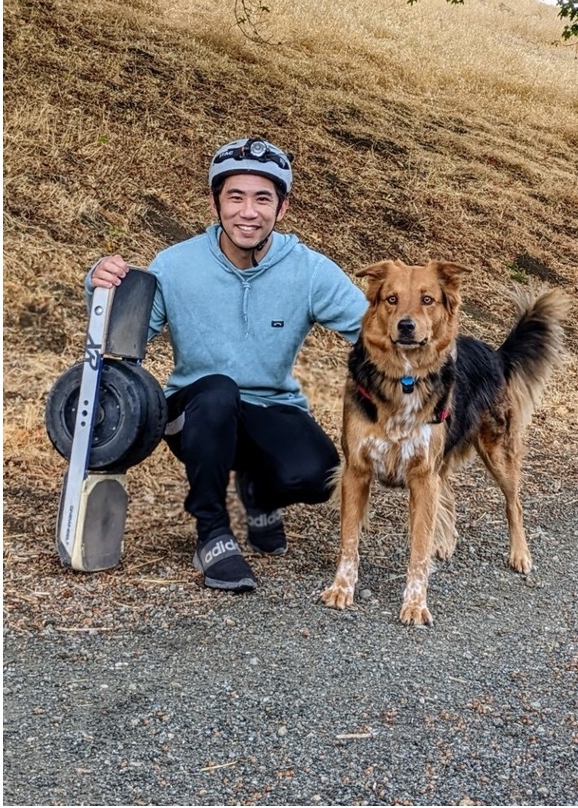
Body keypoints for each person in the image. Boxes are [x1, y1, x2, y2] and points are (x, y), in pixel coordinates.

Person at [86, 136, 368, 592]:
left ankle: (257, 493)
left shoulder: (310, 270)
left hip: (269, 406)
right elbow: (124, 337)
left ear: (283, 207)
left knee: (318, 475)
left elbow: (372, 330)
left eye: (263, 199)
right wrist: (99, 287)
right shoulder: (176, 265)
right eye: (235, 196)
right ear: (217, 200)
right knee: (217, 391)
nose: (248, 212)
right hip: (195, 411)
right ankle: (212, 533)